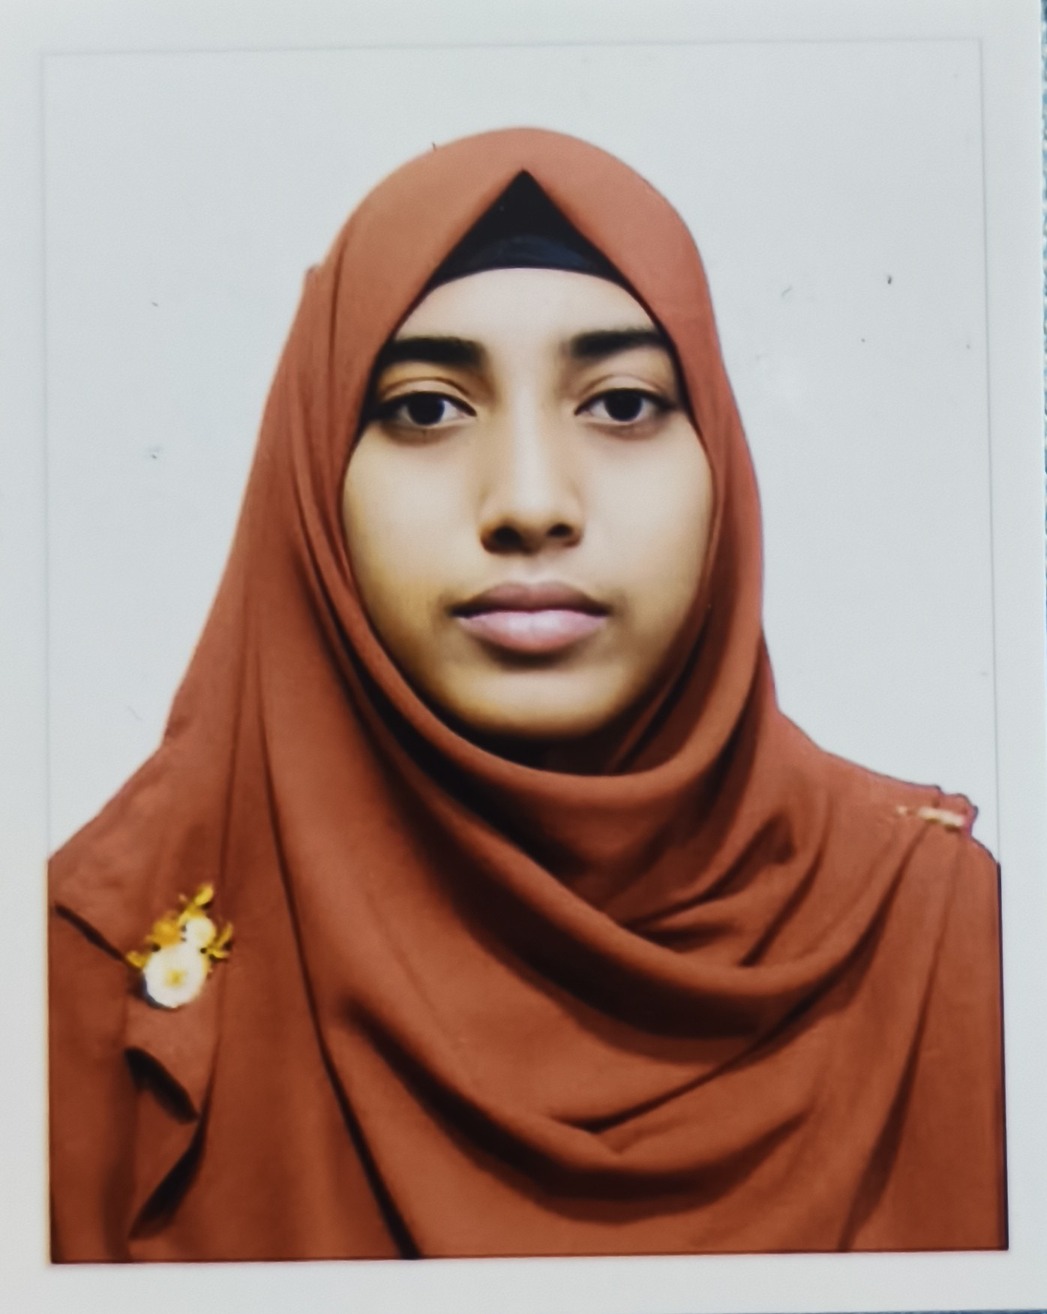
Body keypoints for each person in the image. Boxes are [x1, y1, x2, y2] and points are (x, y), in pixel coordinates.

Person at [48, 126, 1005, 1262]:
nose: (531, 502)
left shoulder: (952, 939)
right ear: (311, 474)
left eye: (622, 404)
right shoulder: (82, 982)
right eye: (426, 409)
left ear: (721, 459)